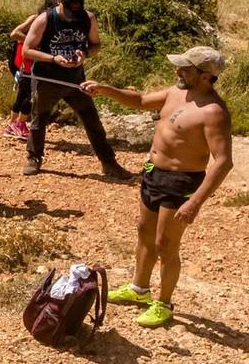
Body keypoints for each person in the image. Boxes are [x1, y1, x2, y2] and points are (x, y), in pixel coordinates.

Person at [82, 45, 234, 328]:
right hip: (153, 172)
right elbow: (140, 100)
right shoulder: (177, 92)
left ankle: (163, 304)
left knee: (166, 244)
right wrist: (105, 89)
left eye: (186, 69)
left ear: (205, 77)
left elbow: (223, 162)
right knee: (144, 231)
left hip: (181, 181)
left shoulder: (214, 112)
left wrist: (195, 202)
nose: (178, 72)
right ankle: (139, 290)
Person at [20, 0, 133, 180]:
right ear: (59, 2)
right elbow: (27, 51)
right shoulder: (44, 20)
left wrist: (85, 54)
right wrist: (53, 58)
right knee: (39, 119)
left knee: (92, 119)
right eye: (69, 13)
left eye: (76, 13)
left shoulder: (87, 18)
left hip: (76, 79)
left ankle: (109, 162)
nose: (73, 17)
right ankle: (34, 158)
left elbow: (96, 45)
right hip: (48, 78)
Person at [4, 0, 61, 142]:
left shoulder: (51, 21)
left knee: (23, 93)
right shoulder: (36, 18)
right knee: (31, 96)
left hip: (30, 62)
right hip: (25, 62)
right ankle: (20, 124)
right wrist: (34, 43)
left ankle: (12, 126)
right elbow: (14, 33)